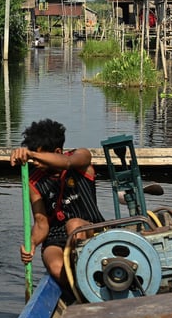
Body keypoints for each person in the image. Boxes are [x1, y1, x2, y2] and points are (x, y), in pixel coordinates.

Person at [9, 118, 105, 286]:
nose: (36, 163)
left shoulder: (81, 158)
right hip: (57, 236)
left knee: (74, 226)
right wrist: (31, 244)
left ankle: (90, 277)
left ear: (58, 151)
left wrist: (30, 154)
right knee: (55, 265)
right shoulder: (34, 182)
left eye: (40, 157)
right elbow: (41, 224)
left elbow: (67, 163)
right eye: (34, 157)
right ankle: (79, 290)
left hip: (91, 230)